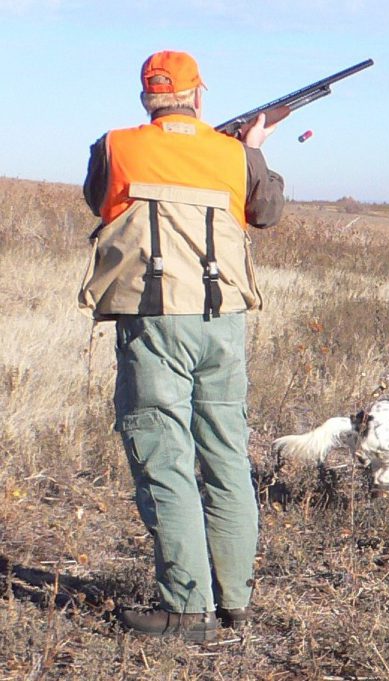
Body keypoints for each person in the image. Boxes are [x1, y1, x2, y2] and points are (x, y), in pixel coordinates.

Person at [80, 50, 285, 641]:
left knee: (164, 454)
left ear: (147, 97)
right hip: (224, 323)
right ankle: (235, 600)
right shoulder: (234, 155)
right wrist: (250, 146)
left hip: (152, 322)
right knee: (225, 454)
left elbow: (101, 201)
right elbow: (266, 211)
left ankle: (186, 608)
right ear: (199, 96)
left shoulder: (115, 146)